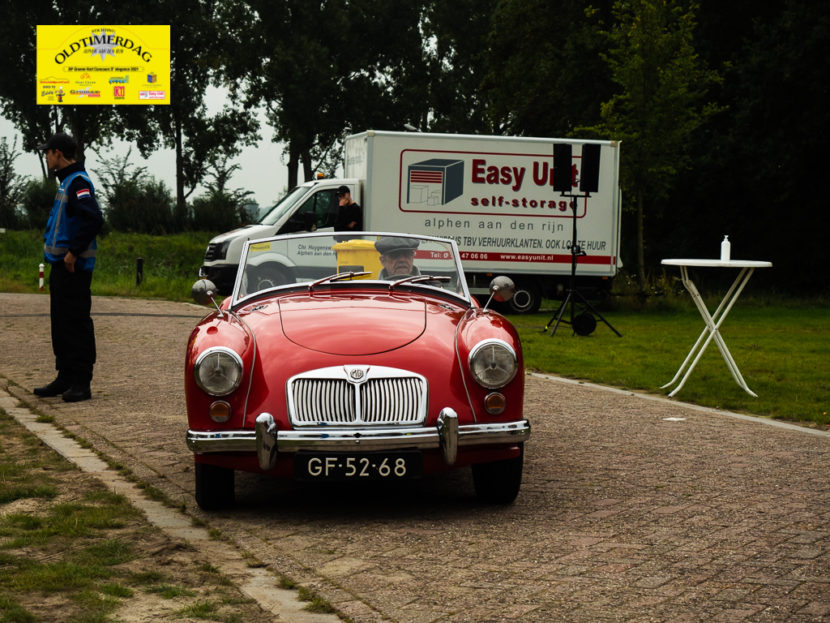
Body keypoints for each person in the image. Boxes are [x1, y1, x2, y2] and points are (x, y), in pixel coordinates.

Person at [33, 132, 103, 403]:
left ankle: (81, 383)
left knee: (76, 324)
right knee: (60, 324)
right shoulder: (66, 182)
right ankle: (64, 377)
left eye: (47, 152)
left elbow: (94, 219)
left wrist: (73, 253)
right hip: (60, 268)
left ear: (58, 153)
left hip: (73, 269)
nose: (46, 157)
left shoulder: (77, 183)